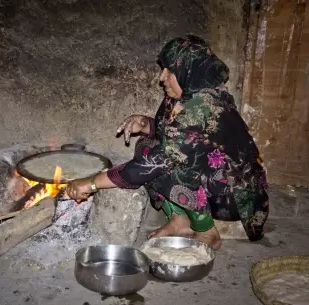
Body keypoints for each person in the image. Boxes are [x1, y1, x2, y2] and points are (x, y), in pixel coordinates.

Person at [65, 34, 269, 249]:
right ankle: (180, 222)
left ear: (188, 70)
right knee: (146, 146)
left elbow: (159, 160)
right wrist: (145, 125)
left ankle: (207, 232)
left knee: (167, 167)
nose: (162, 77)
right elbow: (179, 135)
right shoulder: (189, 91)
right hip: (212, 175)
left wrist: (91, 183)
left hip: (232, 193)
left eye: (169, 71)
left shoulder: (204, 107)